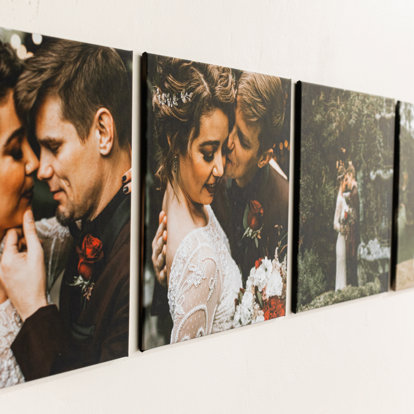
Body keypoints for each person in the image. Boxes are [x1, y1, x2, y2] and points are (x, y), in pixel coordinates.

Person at [0, 39, 132, 380]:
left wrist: (34, 308)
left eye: (52, 147)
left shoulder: (135, 249)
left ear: (103, 131)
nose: (38, 168)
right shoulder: (69, 229)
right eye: (20, 150)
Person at [153, 72, 289, 286]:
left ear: (264, 157)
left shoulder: (282, 204)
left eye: (243, 141)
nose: (229, 143)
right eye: (232, 126)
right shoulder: (210, 168)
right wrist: (169, 267)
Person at [151, 56, 242, 343]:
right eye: (207, 152)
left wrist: (168, 282)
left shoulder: (176, 187)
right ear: (174, 141)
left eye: (223, 151)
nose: (220, 168)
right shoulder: (202, 261)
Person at [344, 162, 359, 286]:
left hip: (354, 224)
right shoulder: (352, 189)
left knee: (353, 248)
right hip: (352, 223)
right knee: (350, 249)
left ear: (351, 175)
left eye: (347, 178)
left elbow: (356, 207)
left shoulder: (355, 188)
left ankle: (354, 280)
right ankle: (352, 279)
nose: (346, 181)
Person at [333, 166, 348, 291]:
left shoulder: (344, 198)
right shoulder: (339, 200)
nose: (346, 183)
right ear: (342, 182)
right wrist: (342, 229)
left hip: (347, 238)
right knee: (341, 264)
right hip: (341, 238)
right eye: (345, 181)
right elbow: (334, 223)